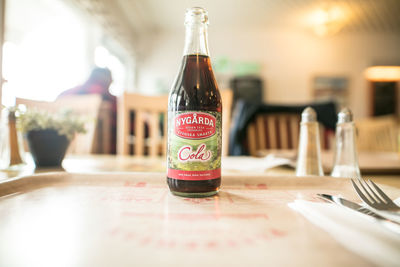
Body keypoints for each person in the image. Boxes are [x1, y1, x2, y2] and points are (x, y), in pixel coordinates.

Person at [57, 67, 117, 154]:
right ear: (108, 80)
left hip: (62, 151)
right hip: (103, 155)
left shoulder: (66, 94)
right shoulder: (109, 99)